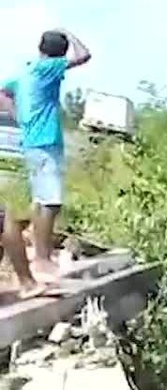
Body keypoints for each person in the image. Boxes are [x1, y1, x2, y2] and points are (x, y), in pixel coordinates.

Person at [0, 29, 92, 290]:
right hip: (46, 140)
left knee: (41, 199)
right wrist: (71, 34)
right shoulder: (48, 67)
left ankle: (42, 255)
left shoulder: (24, 71)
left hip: (33, 141)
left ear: (40, 48)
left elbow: (2, 92)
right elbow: (84, 56)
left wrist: (17, 115)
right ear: (59, 53)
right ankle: (42, 259)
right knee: (51, 202)